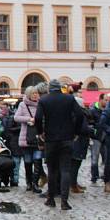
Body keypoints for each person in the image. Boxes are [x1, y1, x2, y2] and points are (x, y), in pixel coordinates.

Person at [35, 79, 83, 210]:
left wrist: (40, 132)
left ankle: (51, 198)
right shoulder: (69, 98)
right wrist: (76, 131)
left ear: (50, 88)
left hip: (50, 138)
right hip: (67, 137)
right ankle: (64, 201)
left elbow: (38, 118)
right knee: (65, 169)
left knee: (52, 170)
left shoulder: (44, 100)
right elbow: (80, 114)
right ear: (60, 88)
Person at [15, 86, 44, 194]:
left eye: (36, 93)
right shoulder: (23, 105)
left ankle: (35, 184)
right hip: (26, 137)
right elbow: (16, 117)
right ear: (28, 94)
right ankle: (29, 183)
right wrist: (28, 119)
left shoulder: (41, 104)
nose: (35, 95)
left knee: (37, 160)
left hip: (38, 137)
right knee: (28, 161)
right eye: (33, 93)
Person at [0, 100, 24, 189]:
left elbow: (5, 131)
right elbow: (8, 130)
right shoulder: (13, 117)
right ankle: (14, 180)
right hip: (15, 144)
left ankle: (14, 180)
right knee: (16, 163)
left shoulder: (11, 117)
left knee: (16, 163)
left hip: (14, 144)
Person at [88, 93, 108, 184]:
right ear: (100, 100)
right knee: (95, 158)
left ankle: (105, 175)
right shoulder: (93, 110)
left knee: (106, 157)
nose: (107, 102)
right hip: (96, 137)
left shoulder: (107, 111)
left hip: (105, 137)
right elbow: (90, 124)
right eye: (105, 100)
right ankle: (94, 176)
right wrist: (94, 132)